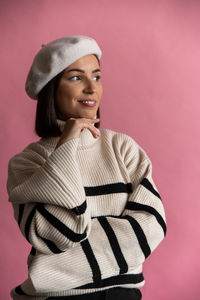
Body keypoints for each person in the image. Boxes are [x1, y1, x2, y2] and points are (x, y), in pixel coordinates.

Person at [7, 35, 167, 300]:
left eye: (97, 76)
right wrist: (67, 145)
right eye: (76, 77)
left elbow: (151, 227)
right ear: (51, 88)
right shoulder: (27, 164)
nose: (92, 89)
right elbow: (61, 233)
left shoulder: (122, 148)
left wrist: (55, 266)